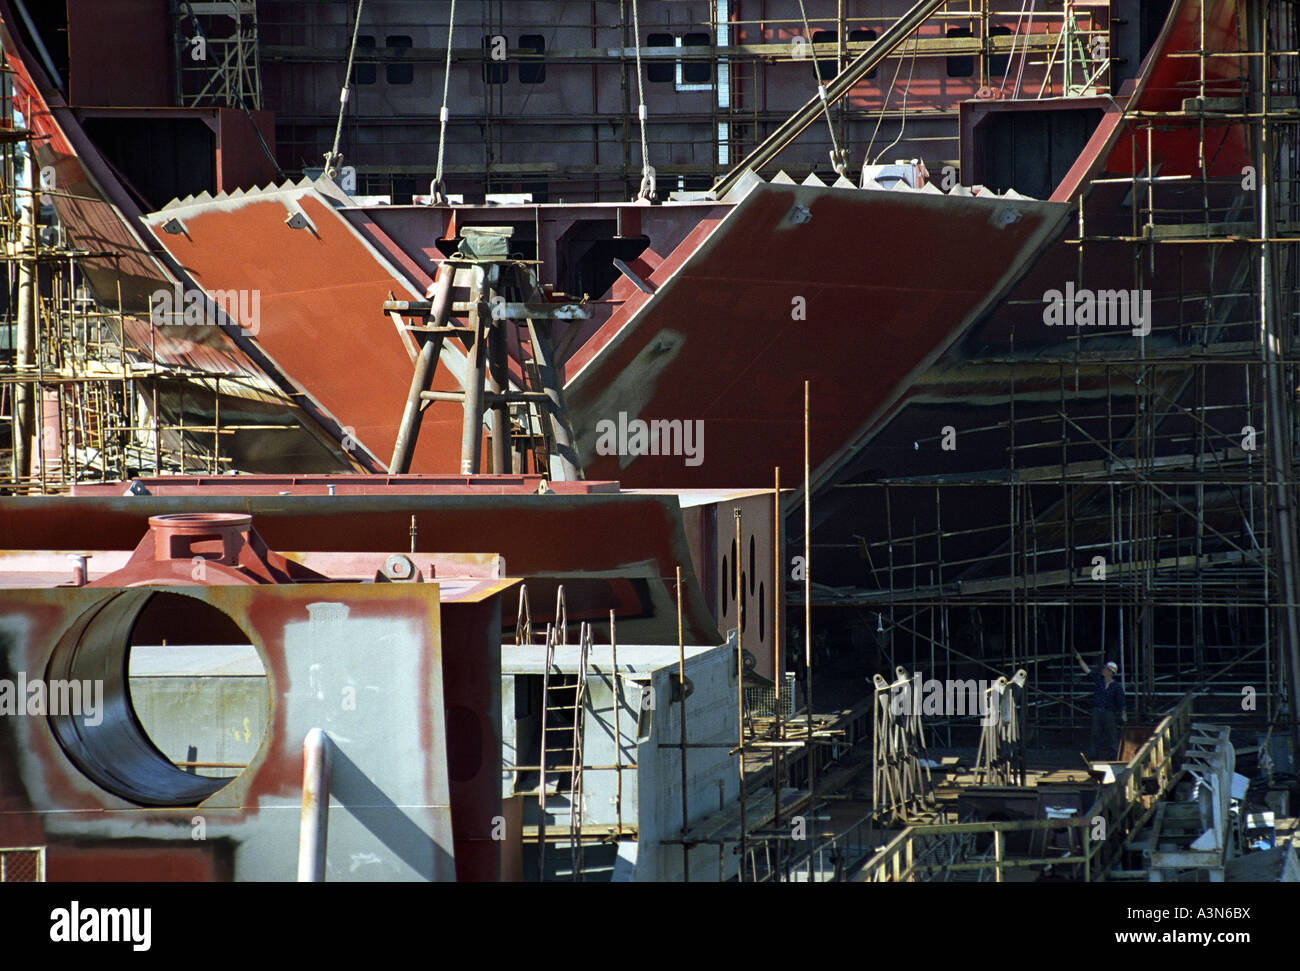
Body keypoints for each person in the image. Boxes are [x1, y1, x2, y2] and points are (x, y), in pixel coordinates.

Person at [1074, 650, 1126, 760]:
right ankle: (1094, 755)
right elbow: (1087, 670)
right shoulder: (1099, 681)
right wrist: (1080, 659)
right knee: (1095, 734)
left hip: (1109, 713)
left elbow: (1121, 701)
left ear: (1111, 672)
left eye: (1106, 669)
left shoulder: (1116, 687)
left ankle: (1113, 756)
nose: (1103, 670)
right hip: (1097, 711)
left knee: (1111, 734)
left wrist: (1123, 713)